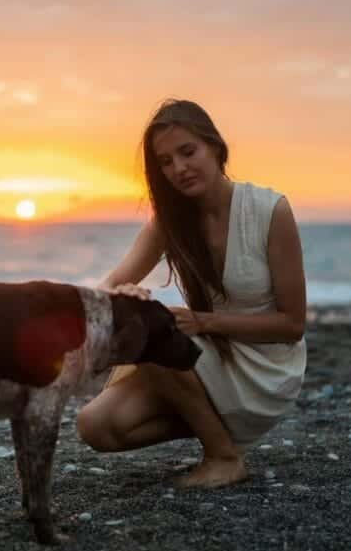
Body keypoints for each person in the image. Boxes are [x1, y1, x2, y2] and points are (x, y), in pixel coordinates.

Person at [76, 99, 307, 488]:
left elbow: (292, 325)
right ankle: (211, 419)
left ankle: (223, 456)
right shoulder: (170, 222)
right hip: (210, 359)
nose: (179, 168)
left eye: (188, 152)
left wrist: (203, 322)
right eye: (165, 162)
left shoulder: (271, 211)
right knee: (96, 426)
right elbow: (108, 287)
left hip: (266, 371)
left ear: (215, 146)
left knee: (148, 330)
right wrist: (123, 296)